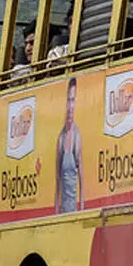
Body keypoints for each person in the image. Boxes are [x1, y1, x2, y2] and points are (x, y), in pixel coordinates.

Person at [56, 77, 84, 213]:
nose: (70, 106)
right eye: (69, 100)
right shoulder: (61, 138)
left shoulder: (77, 138)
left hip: (74, 210)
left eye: (73, 100)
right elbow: (58, 181)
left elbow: (82, 184)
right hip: (63, 212)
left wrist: (82, 211)